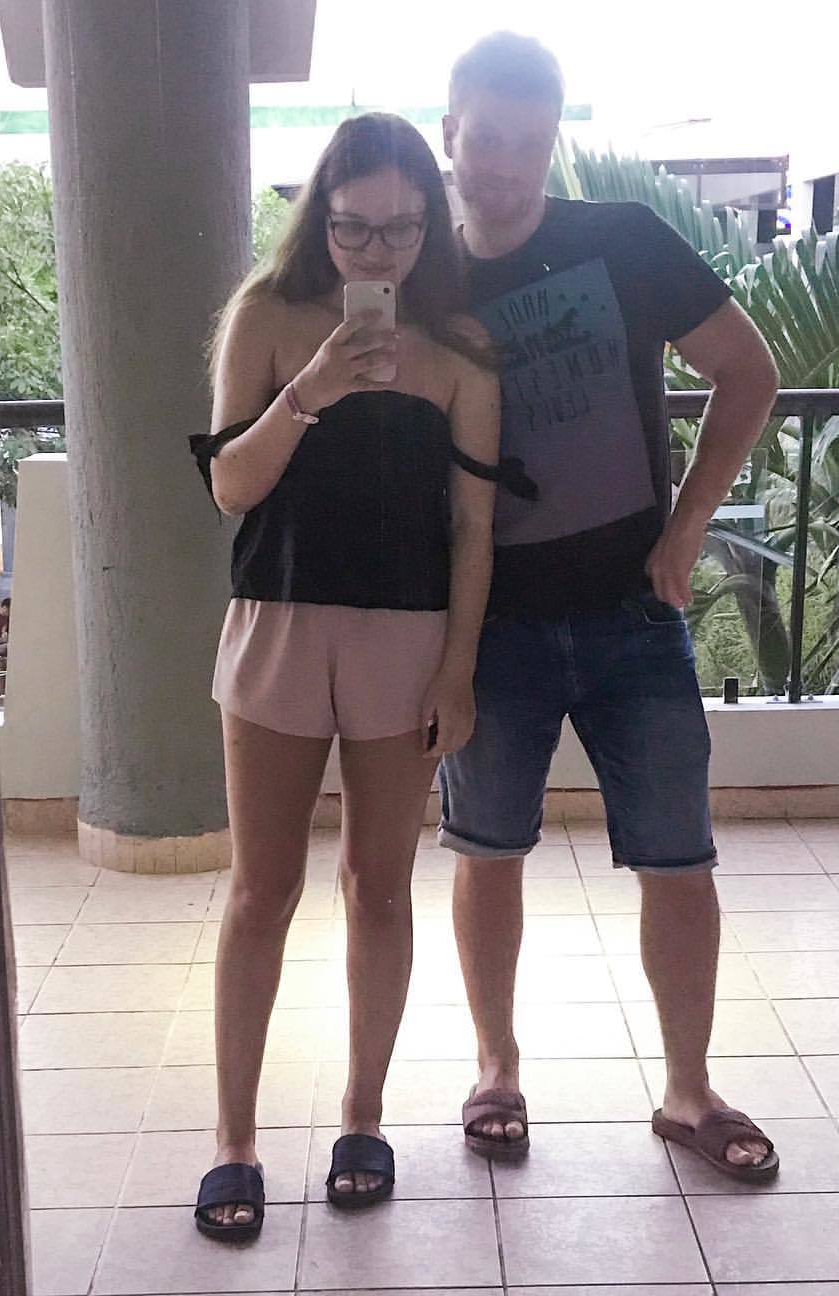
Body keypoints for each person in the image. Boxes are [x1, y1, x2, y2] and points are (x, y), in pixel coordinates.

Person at [438, 32, 783, 1182]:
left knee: (680, 859)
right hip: (489, 629)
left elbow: (749, 372)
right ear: (451, 132)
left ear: (551, 145)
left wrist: (685, 531)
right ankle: (497, 1070)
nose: (503, 165)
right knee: (487, 852)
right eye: (486, 139)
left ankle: (688, 1091)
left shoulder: (621, 241)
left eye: (528, 144)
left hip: (634, 615)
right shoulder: (425, 282)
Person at [190, 112, 505, 1240]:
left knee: (379, 887)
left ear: (433, 225)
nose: (378, 251)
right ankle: (234, 1139)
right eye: (354, 227)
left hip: (407, 638)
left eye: (403, 229)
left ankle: (363, 1116)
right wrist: (311, 387)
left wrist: (458, 669)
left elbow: (473, 528)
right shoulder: (266, 317)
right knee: (260, 892)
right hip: (277, 621)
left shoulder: (461, 347)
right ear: (318, 216)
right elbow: (230, 487)